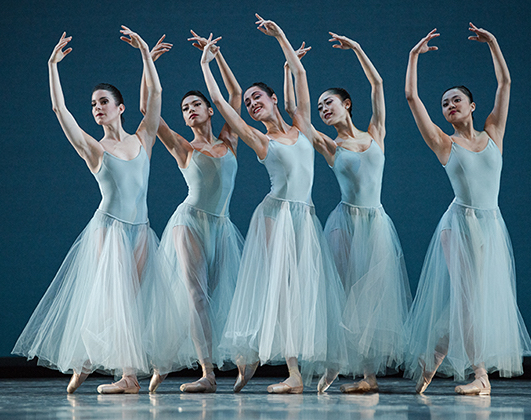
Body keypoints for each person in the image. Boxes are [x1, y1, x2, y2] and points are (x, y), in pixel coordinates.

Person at [11, 27, 164, 395]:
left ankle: (83, 362)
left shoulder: (143, 137)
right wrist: (53, 67)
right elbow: (59, 110)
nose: (97, 108)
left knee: (129, 303)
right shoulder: (94, 149)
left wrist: (144, 52)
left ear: (120, 107)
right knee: (115, 300)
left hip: (140, 229)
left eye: (103, 102)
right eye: (93, 104)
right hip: (108, 230)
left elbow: (156, 93)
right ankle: (127, 378)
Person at [204, 14, 348, 394]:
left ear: (272, 100)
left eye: (257, 98)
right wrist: (206, 64)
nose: (252, 104)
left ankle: (297, 366)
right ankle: (292, 373)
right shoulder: (259, 140)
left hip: (305, 216)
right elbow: (221, 103)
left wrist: (281, 36)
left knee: (304, 291)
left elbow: (300, 76)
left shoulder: (301, 123)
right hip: (275, 215)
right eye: (249, 101)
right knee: (281, 291)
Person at [403, 24, 531, 396]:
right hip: (458, 225)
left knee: (475, 299)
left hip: (491, 224)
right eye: (445, 103)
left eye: (456, 100)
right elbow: (412, 98)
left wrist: (493, 43)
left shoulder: (494, 132)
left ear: (472, 106)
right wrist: (414, 57)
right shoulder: (445, 144)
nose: (449, 106)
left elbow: (505, 84)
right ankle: (480, 376)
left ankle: (436, 355)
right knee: (466, 297)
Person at [283, 32, 412, 394]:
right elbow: (296, 112)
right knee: (339, 294)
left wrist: (357, 48)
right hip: (344, 223)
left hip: (376, 222)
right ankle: (334, 362)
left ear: (347, 104)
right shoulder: (329, 145)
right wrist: (291, 68)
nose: (323, 109)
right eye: (321, 106)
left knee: (371, 299)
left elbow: (378, 82)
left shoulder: (376, 133)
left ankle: (368, 376)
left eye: (329, 103)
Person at [141, 31, 245, 393]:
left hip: (222, 226)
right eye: (184, 108)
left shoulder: (229, 138)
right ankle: (208, 374)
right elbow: (145, 111)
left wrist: (214, 58)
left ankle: (166, 361)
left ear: (209, 110)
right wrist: (148, 62)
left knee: (212, 300)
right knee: (196, 296)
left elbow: (236, 96)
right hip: (189, 224)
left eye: (195, 105)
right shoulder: (183, 148)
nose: (189, 111)